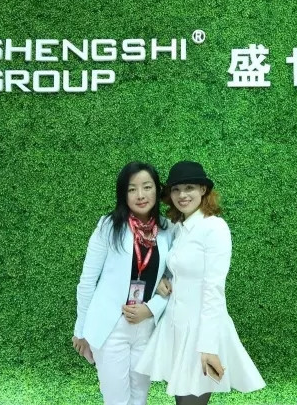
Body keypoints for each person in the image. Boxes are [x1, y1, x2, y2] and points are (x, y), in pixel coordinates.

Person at [136, 161, 265, 405]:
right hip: (175, 326)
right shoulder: (178, 228)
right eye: (176, 189)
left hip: (201, 331)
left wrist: (208, 346)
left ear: (203, 190)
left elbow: (214, 289)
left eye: (189, 188)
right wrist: (162, 280)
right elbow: (175, 267)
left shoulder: (214, 228)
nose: (182, 195)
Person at [72, 161, 173, 405]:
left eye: (147, 187)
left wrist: (151, 308)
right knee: (117, 400)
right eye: (132, 189)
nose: (140, 195)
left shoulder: (167, 229)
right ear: (123, 194)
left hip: (146, 326)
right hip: (112, 326)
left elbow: (175, 280)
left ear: (157, 190)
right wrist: (80, 329)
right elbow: (87, 280)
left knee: (140, 398)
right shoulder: (109, 226)